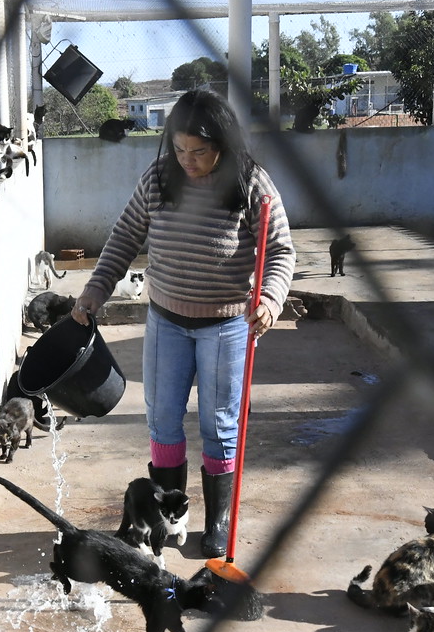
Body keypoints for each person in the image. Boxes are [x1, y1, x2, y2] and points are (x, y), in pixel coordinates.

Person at [72, 88, 295, 557]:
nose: (188, 160)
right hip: (167, 322)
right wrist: (96, 290)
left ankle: (217, 520)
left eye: (200, 152)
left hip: (229, 326)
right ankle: (172, 515)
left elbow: (279, 251)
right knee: (163, 420)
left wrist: (271, 300)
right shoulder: (157, 179)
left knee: (220, 424)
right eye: (179, 149)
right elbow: (124, 237)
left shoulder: (252, 184)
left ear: (224, 145)